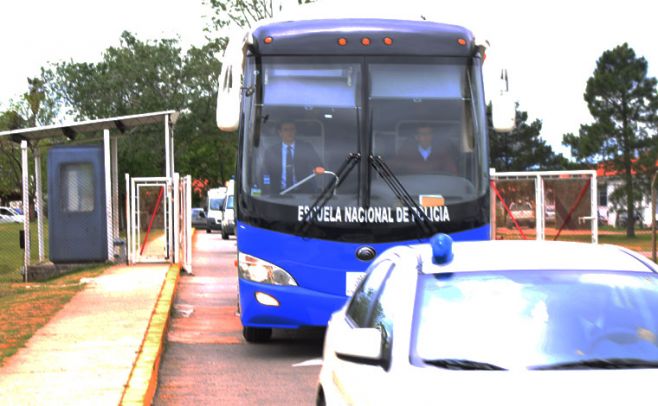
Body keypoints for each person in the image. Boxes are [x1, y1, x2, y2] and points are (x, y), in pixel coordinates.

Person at [261, 121, 322, 194]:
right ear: (280, 133)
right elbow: (264, 172)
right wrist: (266, 189)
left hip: (303, 192)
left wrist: (317, 170)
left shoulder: (306, 147)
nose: (289, 132)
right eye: (286, 130)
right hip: (278, 193)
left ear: (295, 131)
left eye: (292, 129)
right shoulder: (271, 151)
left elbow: (319, 166)